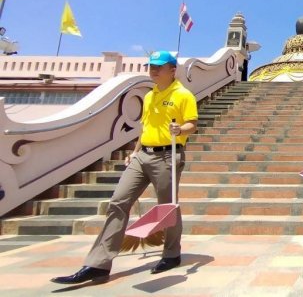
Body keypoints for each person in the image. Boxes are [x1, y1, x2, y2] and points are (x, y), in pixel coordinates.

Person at [51, 50, 198, 284]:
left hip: (167, 156)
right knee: (118, 202)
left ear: (173, 70)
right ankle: (97, 264)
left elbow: (192, 123)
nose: (154, 70)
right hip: (143, 155)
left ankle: (171, 253)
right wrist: (135, 151)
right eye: (151, 66)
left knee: (167, 206)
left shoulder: (183, 95)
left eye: (159, 67)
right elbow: (145, 126)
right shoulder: (149, 96)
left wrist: (180, 130)